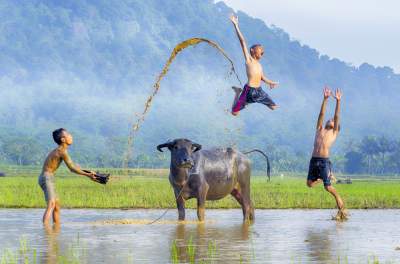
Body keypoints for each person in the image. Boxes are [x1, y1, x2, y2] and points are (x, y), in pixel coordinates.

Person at [38, 128, 96, 225]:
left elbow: (73, 166)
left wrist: (88, 172)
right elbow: (72, 168)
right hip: (46, 177)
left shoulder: (62, 151)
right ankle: (46, 232)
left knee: (56, 206)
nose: (71, 136)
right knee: (51, 203)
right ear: (63, 140)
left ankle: (56, 229)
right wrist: (87, 175)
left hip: (49, 177)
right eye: (68, 135)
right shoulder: (61, 151)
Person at [307, 87, 348, 220]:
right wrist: (325, 99)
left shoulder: (334, 132)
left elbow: (336, 116)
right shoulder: (319, 129)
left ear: (335, 125)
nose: (330, 119)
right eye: (329, 119)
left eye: (332, 120)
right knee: (309, 184)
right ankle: (324, 177)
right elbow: (321, 115)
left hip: (324, 161)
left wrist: (338, 101)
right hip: (314, 160)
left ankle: (341, 210)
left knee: (328, 188)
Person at [229, 14, 279, 116]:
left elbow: (262, 77)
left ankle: (247, 102)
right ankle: (238, 92)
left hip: (259, 91)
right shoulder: (249, 59)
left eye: (262, 50)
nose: (262, 50)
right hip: (249, 90)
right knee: (234, 113)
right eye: (260, 48)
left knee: (274, 107)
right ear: (252, 50)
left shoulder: (259, 65)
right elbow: (242, 41)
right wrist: (236, 25)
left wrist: (270, 82)